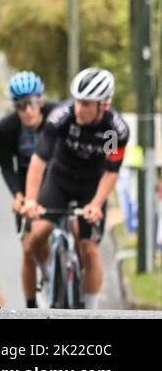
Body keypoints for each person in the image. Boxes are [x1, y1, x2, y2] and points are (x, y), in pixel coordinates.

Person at [21, 67, 129, 310]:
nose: (79, 108)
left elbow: (112, 171)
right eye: (78, 101)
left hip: (92, 186)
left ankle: (89, 311)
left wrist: (96, 204)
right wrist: (30, 200)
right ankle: (48, 275)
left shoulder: (114, 130)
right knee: (36, 235)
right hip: (60, 179)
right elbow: (39, 162)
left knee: (89, 249)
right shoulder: (61, 117)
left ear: (103, 105)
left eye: (87, 104)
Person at [0, 70, 57, 306]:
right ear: (14, 107)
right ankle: (31, 305)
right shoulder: (5, 129)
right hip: (27, 187)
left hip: (58, 181)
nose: (28, 111)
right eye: (21, 106)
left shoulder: (57, 115)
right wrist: (18, 195)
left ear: (40, 100)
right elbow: (5, 165)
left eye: (32, 103)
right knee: (29, 249)